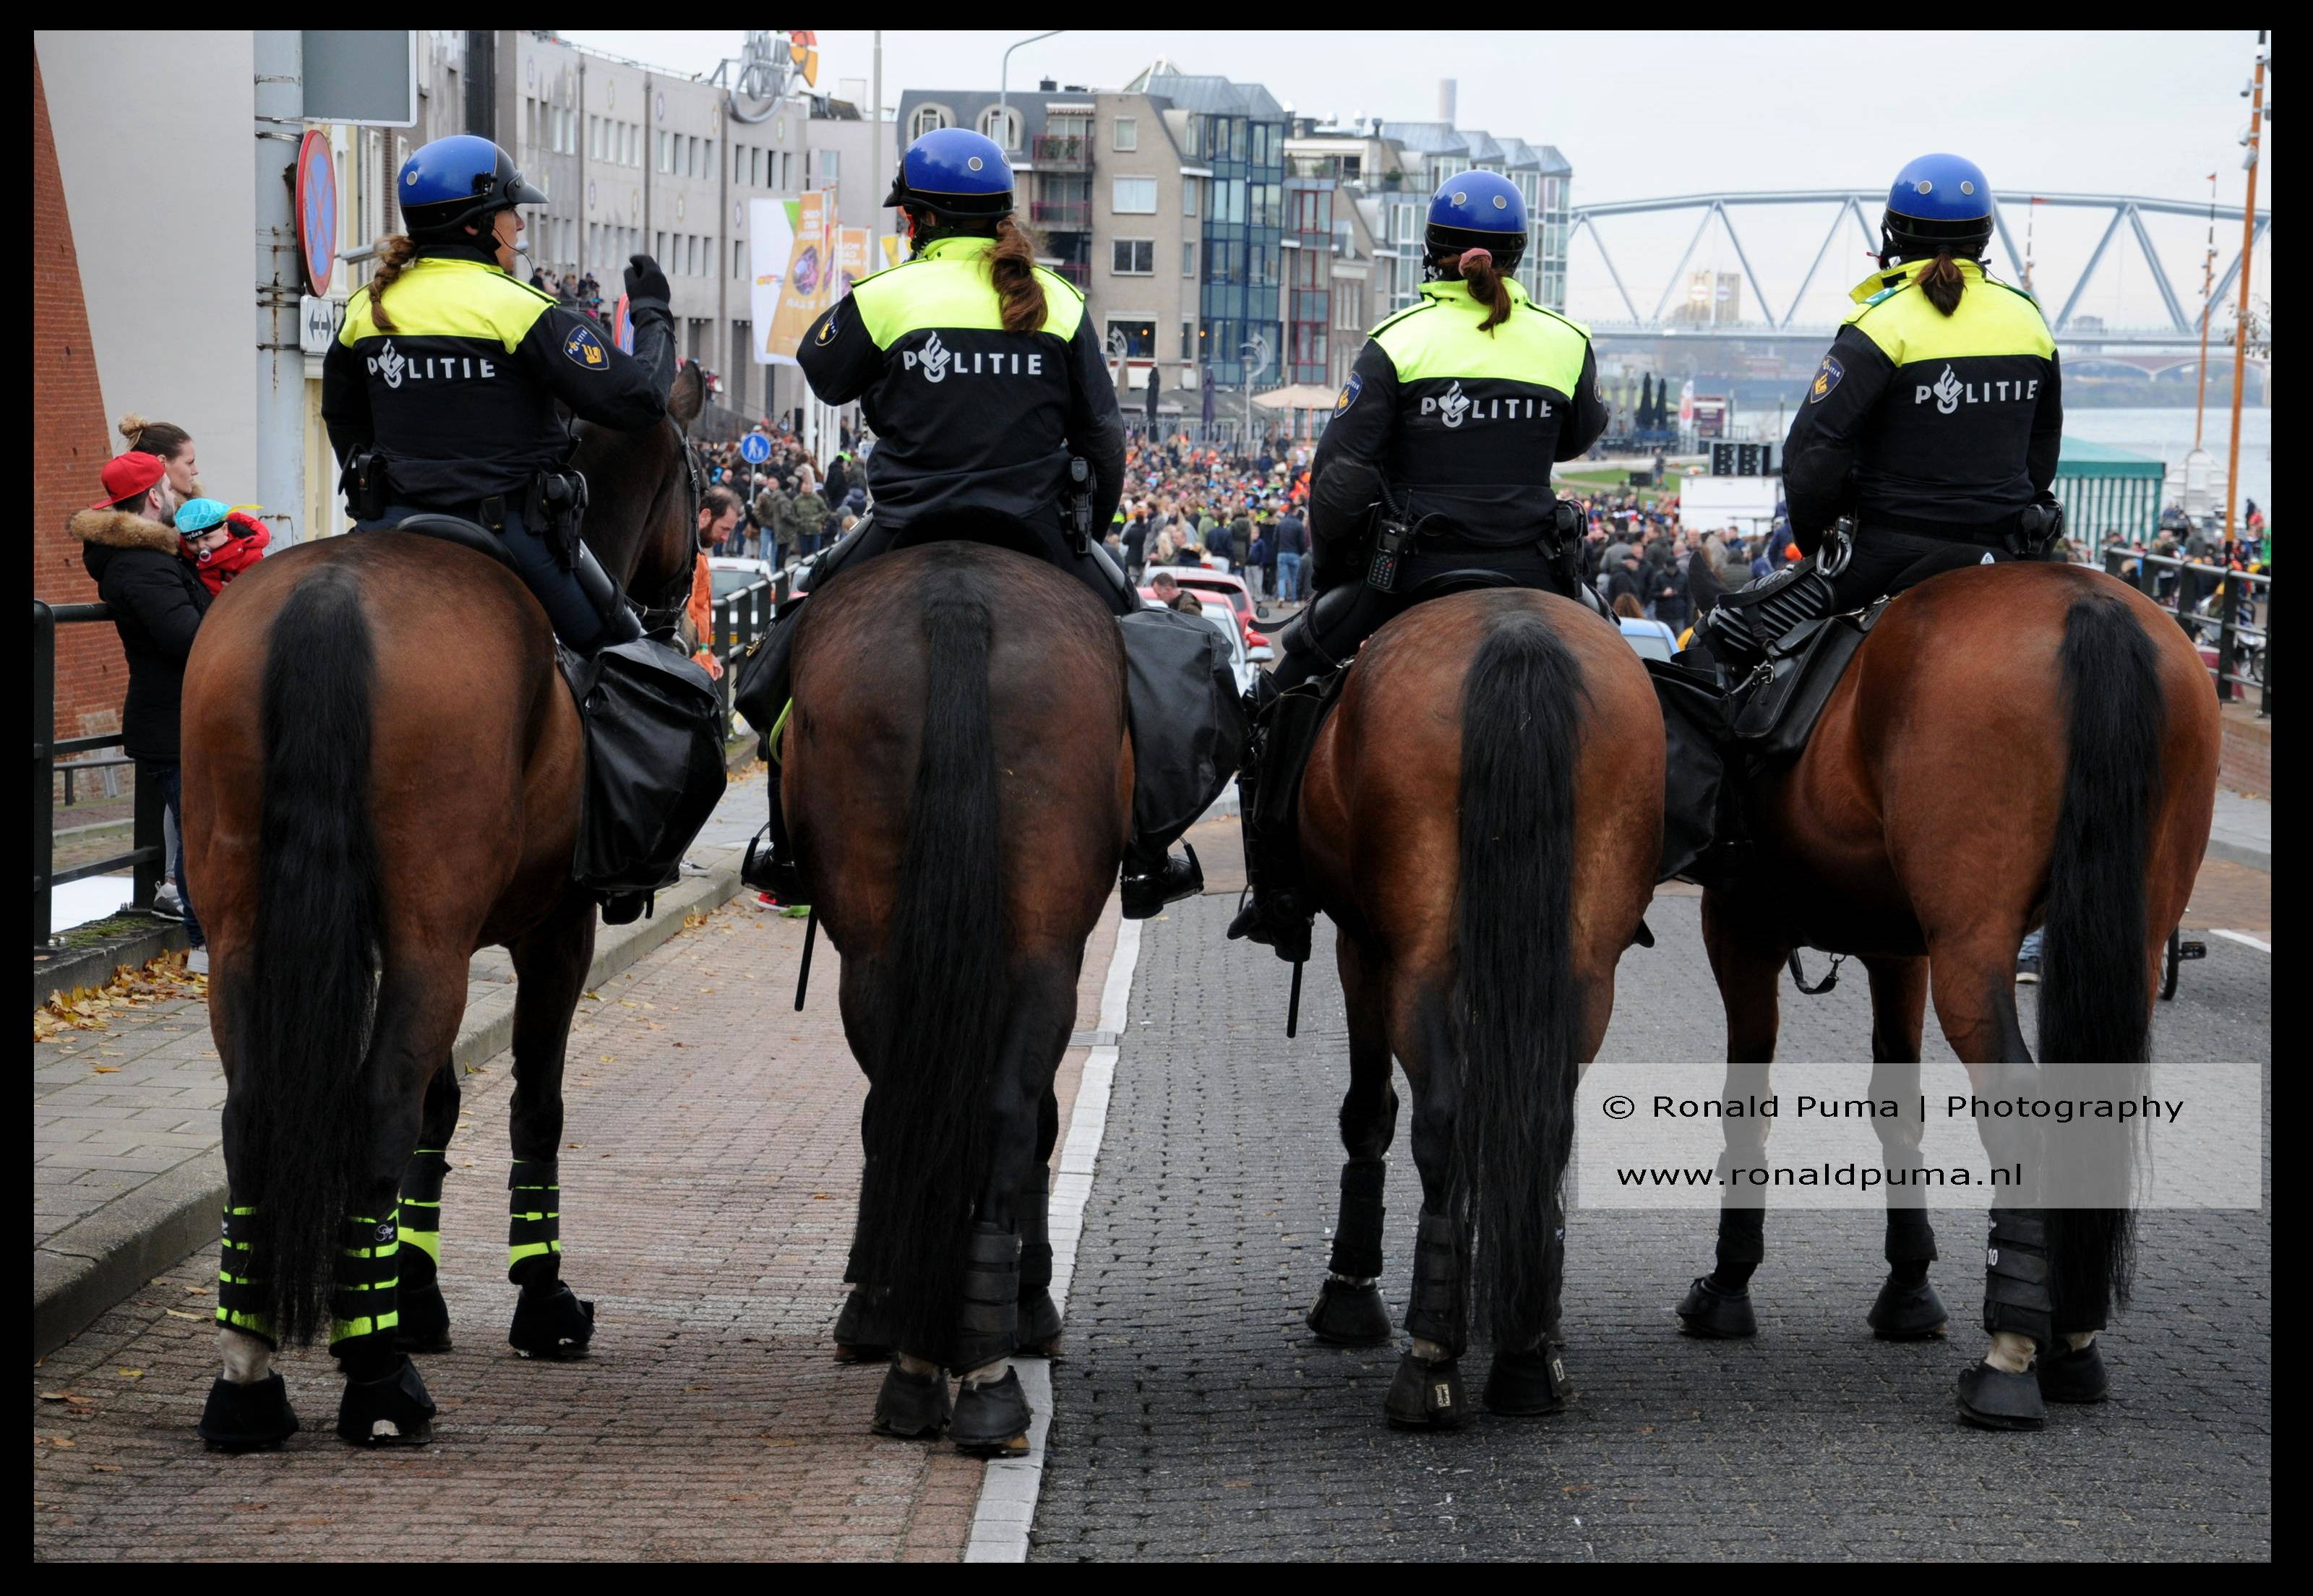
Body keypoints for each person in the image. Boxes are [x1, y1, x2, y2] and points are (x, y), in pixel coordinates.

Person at [741, 126, 1196, 917]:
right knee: (1149, 671)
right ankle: (1148, 856)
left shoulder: (886, 296)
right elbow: (1102, 436)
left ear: (915, 219)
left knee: (785, 661)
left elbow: (824, 375)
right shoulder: (1059, 301)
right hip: (1040, 533)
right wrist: (1088, 534)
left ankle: (785, 853)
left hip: (903, 528)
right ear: (1001, 217)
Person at [1230, 169, 1609, 957]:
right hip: (1539, 573)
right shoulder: (1565, 342)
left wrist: (1336, 578)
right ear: (1519, 254)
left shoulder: (1397, 341)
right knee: (1646, 692)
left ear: (1431, 251)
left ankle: (1277, 892)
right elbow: (1575, 437)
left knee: (1279, 693)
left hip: (1407, 577)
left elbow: (1341, 481)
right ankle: (1630, 883)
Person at [321, 134, 677, 654]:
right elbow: (640, 402)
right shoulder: (522, 311)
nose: (520, 224)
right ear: (476, 225)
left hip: (387, 524)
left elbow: (343, 420)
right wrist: (652, 313)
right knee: (621, 656)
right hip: (509, 532)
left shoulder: (363, 310)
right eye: (511, 211)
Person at [1712, 153, 2062, 663]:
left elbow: (1812, 457)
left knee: (1724, 637)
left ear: (1892, 236)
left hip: (1887, 555)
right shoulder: (2029, 321)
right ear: (1984, 237)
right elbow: (2042, 450)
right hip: (2006, 551)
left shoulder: (1879, 325)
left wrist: (1819, 546)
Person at [72, 452, 212, 966]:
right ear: (154, 496)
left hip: (180, 716)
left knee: (202, 830)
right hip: (174, 721)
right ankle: (204, 945)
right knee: (200, 833)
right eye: (169, 488)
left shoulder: (150, 557)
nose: (177, 493)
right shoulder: (143, 565)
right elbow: (187, 638)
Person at [173, 499, 271, 595]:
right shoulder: (185, 558)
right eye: (192, 542)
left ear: (224, 529)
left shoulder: (247, 554)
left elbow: (257, 589)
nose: (201, 546)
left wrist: (240, 592)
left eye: (207, 538)